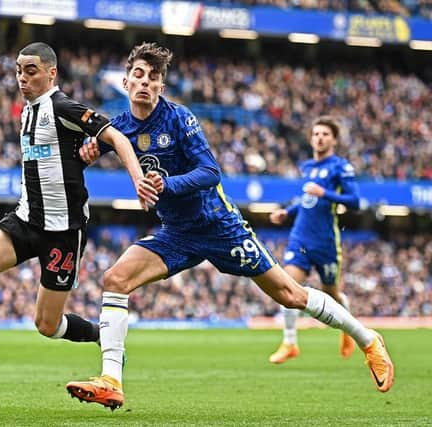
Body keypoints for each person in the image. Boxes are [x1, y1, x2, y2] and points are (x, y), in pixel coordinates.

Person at [65, 42, 394, 410]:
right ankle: (111, 379)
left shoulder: (179, 118)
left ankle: (368, 340)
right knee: (115, 279)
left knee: (291, 295)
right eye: (138, 75)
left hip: (219, 226)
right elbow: (88, 149)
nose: (145, 82)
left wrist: (166, 184)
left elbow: (210, 172)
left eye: (153, 77)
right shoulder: (121, 126)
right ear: (125, 82)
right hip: (177, 234)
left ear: (161, 86)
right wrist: (87, 154)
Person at [0, 42, 157, 392]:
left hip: (63, 232)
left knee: (47, 325)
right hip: (25, 220)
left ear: (51, 73)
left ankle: (102, 336)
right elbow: (63, 158)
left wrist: (138, 180)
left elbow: (116, 137)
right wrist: (80, 157)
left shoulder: (63, 106)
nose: (22, 77)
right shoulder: (27, 111)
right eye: (19, 70)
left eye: (30, 70)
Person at [268, 116, 360, 364]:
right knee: (286, 285)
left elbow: (356, 201)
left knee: (333, 295)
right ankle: (290, 342)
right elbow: (306, 201)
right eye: (316, 133)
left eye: (325, 134)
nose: (319, 137)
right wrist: (287, 212)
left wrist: (326, 193)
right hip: (300, 237)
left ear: (334, 139)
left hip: (326, 242)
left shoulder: (341, 167)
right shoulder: (307, 166)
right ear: (310, 138)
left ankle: (348, 331)